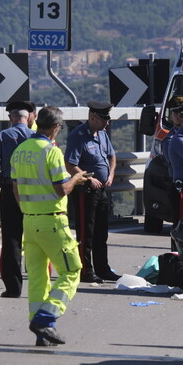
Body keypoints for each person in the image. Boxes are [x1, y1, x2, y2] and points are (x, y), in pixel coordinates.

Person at [10, 106, 90, 346]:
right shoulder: (52, 152)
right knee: (72, 271)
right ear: (55, 128)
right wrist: (76, 178)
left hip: (29, 219)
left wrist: (28, 210)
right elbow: (61, 189)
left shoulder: (20, 150)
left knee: (37, 278)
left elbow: (15, 189)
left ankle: (41, 333)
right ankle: (46, 318)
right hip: (52, 220)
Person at [0, 100, 35, 297]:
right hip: (33, 192)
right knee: (35, 237)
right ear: (28, 117)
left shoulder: (3, 136)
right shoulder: (36, 137)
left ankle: (13, 287)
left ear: (11, 118)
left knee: (11, 240)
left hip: (8, 190)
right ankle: (40, 282)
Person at [65, 100, 119, 283]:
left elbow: (111, 155)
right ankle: (85, 270)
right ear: (93, 117)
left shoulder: (102, 134)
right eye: (104, 119)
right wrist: (89, 178)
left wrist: (111, 174)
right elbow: (70, 164)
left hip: (102, 190)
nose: (107, 123)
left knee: (101, 233)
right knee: (85, 233)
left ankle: (103, 268)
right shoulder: (78, 136)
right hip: (85, 190)